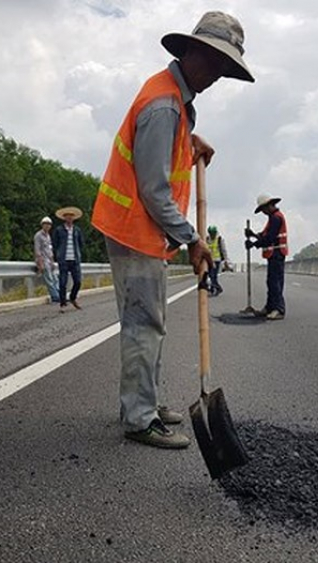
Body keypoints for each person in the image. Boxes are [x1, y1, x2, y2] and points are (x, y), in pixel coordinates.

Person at [91, 11, 254, 449]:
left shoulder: (175, 104)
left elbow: (163, 155)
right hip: (135, 228)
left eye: (227, 68)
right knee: (144, 325)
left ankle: (144, 401)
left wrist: (191, 141)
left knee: (151, 323)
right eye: (218, 64)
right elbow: (154, 189)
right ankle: (139, 419)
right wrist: (193, 239)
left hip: (143, 230)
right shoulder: (165, 107)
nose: (220, 75)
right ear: (193, 51)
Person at [245, 194, 288, 320]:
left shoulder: (276, 218)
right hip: (273, 254)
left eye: (263, 209)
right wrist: (253, 235)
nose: (263, 212)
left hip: (277, 253)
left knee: (275, 282)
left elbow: (269, 239)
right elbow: (265, 235)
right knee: (271, 282)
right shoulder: (272, 218)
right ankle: (269, 307)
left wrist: (254, 244)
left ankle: (279, 309)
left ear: (269, 206)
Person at [53, 206, 85, 311]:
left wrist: (78, 254)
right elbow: (55, 244)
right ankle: (62, 304)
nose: (69, 218)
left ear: (73, 218)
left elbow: (81, 243)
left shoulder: (77, 230)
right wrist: (58, 255)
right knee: (63, 282)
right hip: (63, 259)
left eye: (71, 216)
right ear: (64, 218)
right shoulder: (59, 230)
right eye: (67, 216)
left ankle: (72, 298)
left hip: (75, 259)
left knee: (78, 281)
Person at [34, 216, 60, 303]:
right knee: (49, 279)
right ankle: (55, 297)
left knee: (55, 278)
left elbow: (50, 249)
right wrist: (40, 263)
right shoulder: (38, 235)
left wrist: (52, 261)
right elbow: (37, 250)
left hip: (49, 260)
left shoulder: (48, 236)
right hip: (43, 260)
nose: (47, 226)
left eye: (49, 224)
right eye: (46, 224)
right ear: (42, 225)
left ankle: (59, 294)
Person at [205, 225, 228, 296]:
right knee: (209, 275)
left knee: (213, 276)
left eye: (213, 233)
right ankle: (214, 289)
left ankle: (217, 289)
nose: (212, 235)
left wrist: (226, 260)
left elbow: (223, 250)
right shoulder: (207, 239)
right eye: (210, 233)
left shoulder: (219, 239)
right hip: (209, 260)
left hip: (217, 260)